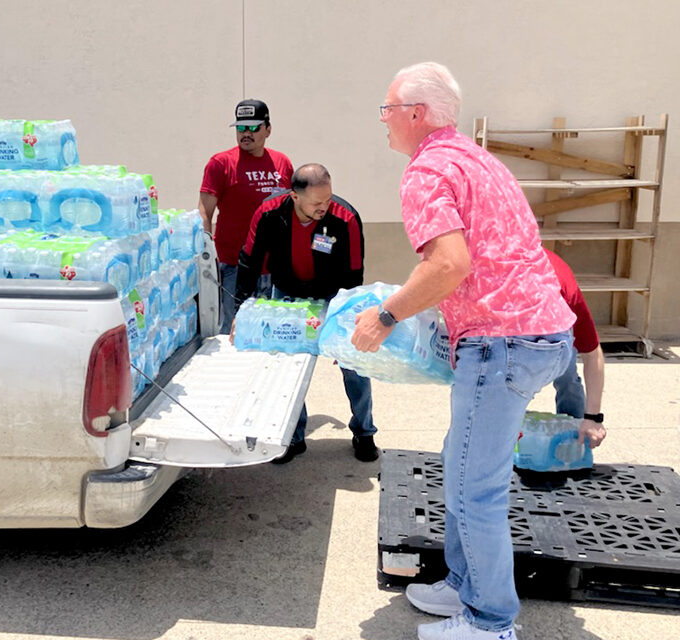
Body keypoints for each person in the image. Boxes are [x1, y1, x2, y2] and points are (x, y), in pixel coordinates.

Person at [351, 62, 577, 640]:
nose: (383, 119)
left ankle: (490, 621)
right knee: (461, 465)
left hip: (501, 346)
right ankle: (463, 584)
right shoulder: (479, 160)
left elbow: (450, 264)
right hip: (547, 335)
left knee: (476, 487)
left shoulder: (427, 171)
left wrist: (385, 315)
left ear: (416, 114)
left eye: (387, 107)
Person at [232, 163, 379, 464]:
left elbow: (353, 275)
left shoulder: (345, 217)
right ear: (294, 196)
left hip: (332, 297)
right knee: (287, 367)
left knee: (354, 365)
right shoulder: (268, 214)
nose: (324, 207)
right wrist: (241, 312)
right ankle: (293, 437)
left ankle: (364, 432)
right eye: (316, 203)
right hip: (287, 294)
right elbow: (249, 261)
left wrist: (347, 323)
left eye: (327, 199)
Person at [200, 99, 294, 333]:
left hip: (274, 268)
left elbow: (294, 209)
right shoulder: (220, 163)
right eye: (241, 128)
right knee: (234, 333)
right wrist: (207, 256)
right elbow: (204, 212)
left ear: (268, 129)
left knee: (271, 332)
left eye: (254, 128)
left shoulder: (282, 163)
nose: (246, 133)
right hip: (233, 266)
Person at [544, 248, 608, 448]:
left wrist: (593, 417)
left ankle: (574, 436)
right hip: (503, 330)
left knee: (567, 377)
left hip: (557, 333)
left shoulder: (564, 292)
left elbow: (593, 353)